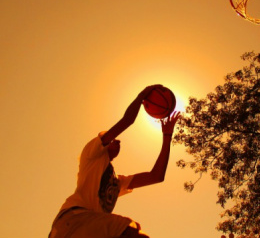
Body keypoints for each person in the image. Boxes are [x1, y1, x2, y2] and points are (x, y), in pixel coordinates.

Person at [49, 85, 181, 238]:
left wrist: (167, 135)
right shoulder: (90, 155)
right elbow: (127, 120)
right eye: (109, 138)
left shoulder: (117, 183)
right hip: (74, 220)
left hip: (80, 229)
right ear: (103, 145)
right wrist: (142, 95)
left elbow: (156, 176)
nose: (115, 140)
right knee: (131, 232)